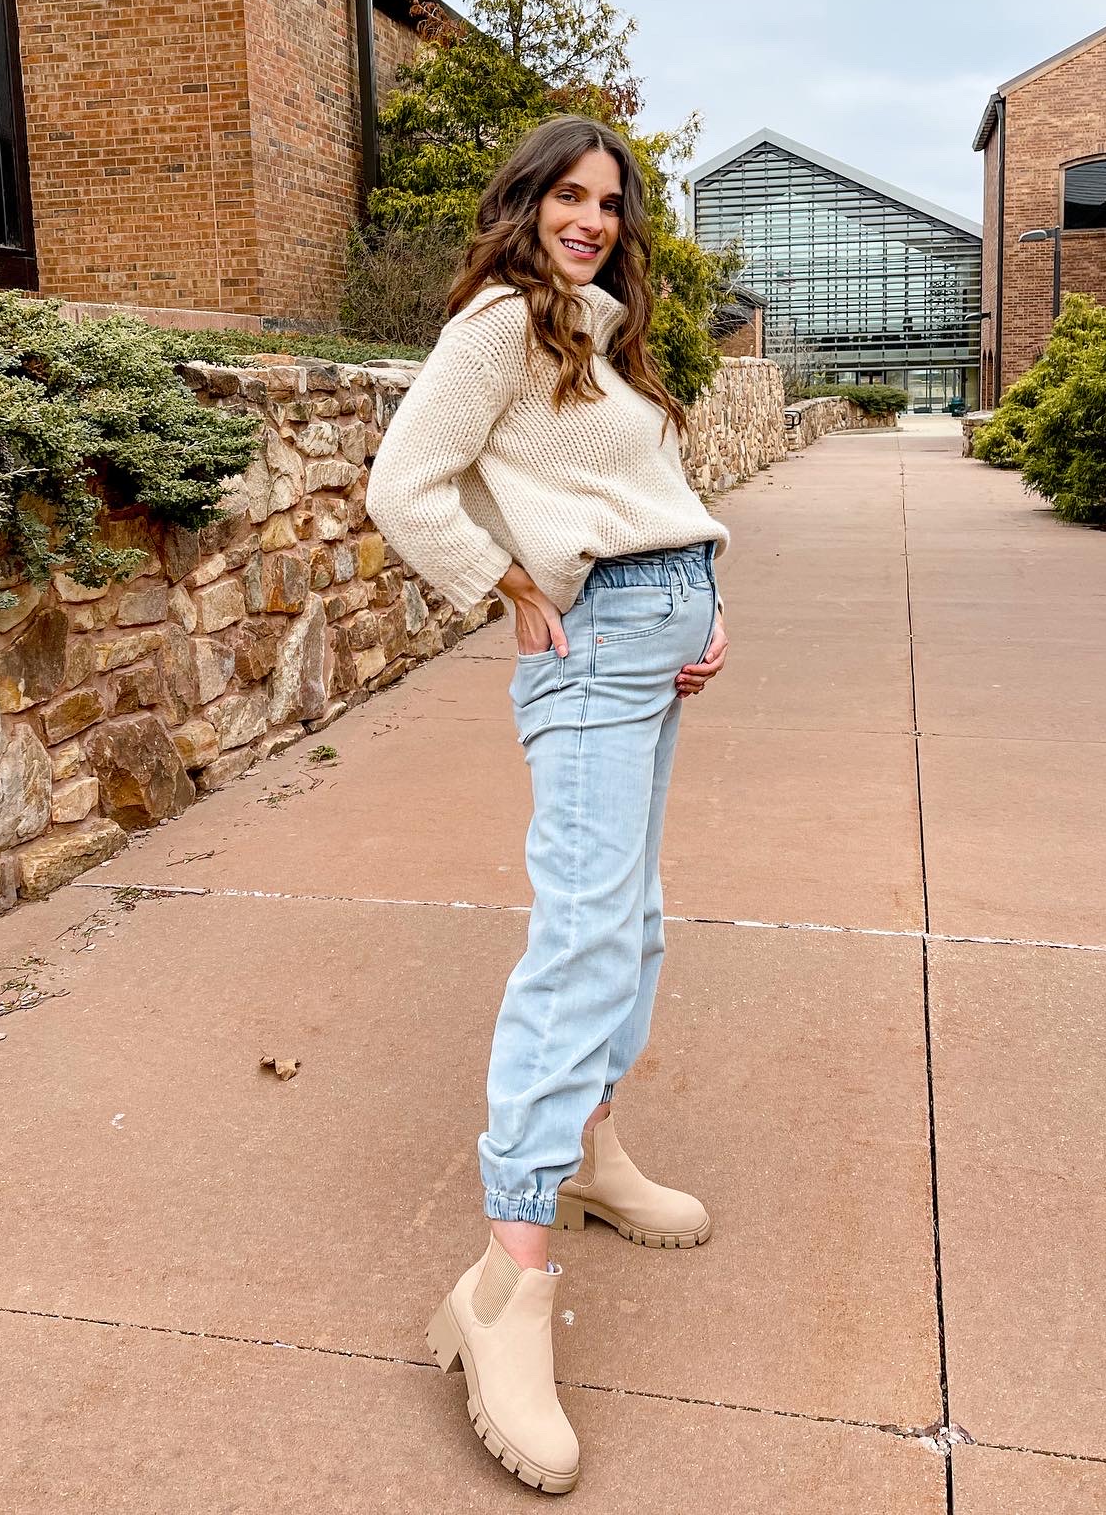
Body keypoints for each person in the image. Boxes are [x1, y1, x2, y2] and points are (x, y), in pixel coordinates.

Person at [365, 113, 729, 1493]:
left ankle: (588, 1147)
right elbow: (405, 484)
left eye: (610, 202)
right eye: (569, 196)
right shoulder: (502, 325)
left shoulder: (595, 330)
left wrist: (708, 602)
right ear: (524, 204)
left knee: (629, 925)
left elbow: (649, 489)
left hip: (658, 640)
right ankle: (505, 1276)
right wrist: (507, 586)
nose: (592, 217)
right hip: (588, 657)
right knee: (582, 932)